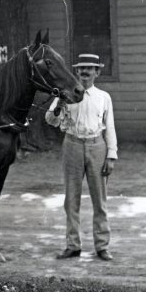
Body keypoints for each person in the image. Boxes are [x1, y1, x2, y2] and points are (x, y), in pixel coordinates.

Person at [45, 53, 117, 262]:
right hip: (72, 144)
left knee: (99, 199)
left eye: (90, 68)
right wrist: (59, 103)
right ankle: (73, 245)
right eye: (81, 68)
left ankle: (102, 246)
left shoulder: (103, 97)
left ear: (97, 72)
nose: (85, 72)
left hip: (97, 145)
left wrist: (111, 155)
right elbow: (50, 120)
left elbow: (110, 127)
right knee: (71, 199)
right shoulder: (65, 94)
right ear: (76, 71)